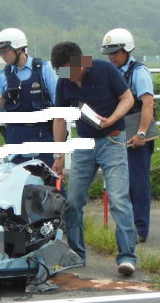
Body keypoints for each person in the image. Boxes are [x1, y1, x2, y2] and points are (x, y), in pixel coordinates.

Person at [49, 41, 138, 276]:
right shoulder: (63, 82)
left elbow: (127, 99)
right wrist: (58, 156)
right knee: (73, 201)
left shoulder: (104, 69)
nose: (67, 74)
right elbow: (59, 119)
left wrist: (112, 118)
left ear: (80, 60)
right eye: (62, 70)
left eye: (70, 68)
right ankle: (77, 254)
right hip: (84, 143)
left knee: (119, 198)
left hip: (113, 139)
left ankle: (127, 257)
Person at [102, 28, 156, 243]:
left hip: (136, 129)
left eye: (115, 52)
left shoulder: (139, 72)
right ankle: (126, 226)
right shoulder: (109, 70)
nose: (111, 56)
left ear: (127, 50)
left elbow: (147, 102)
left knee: (138, 181)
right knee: (120, 182)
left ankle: (140, 229)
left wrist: (142, 133)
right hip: (118, 130)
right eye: (109, 53)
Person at [0, 27, 59, 167]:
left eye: (5, 51)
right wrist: (4, 97)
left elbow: (58, 102)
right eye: (0, 52)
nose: (2, 55)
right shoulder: (3, 75)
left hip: (41, 133)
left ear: (19, 48)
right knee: (16, 180)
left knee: (50, 180)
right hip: (15, 134)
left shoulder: (44, 68)